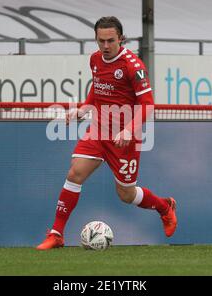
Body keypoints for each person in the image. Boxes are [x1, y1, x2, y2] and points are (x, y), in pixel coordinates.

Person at [36, 16, 177, 250]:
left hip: (124, 139)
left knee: (126, 194)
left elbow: (147, 105)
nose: (105, 46)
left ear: (120, 39)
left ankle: (164, 206)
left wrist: (129, 130)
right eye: (101, 41)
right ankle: (56, 233)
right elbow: (97, 87)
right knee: (74, 174)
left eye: (111, 40)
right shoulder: (95, 59)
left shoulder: (134, 66)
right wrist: (83, 109)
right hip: (98, 131)